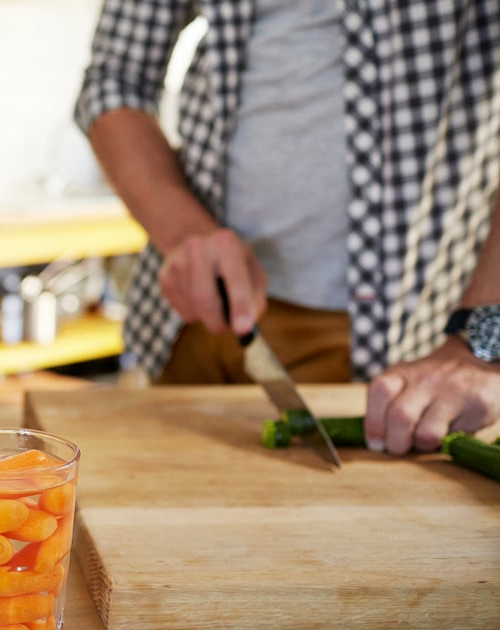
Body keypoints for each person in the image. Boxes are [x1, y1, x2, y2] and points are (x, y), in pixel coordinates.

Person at [75, 1, 500, 453]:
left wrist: (483, 338)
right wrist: (182, 232)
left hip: (393, 341)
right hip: (191, 310)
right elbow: (115, 79)